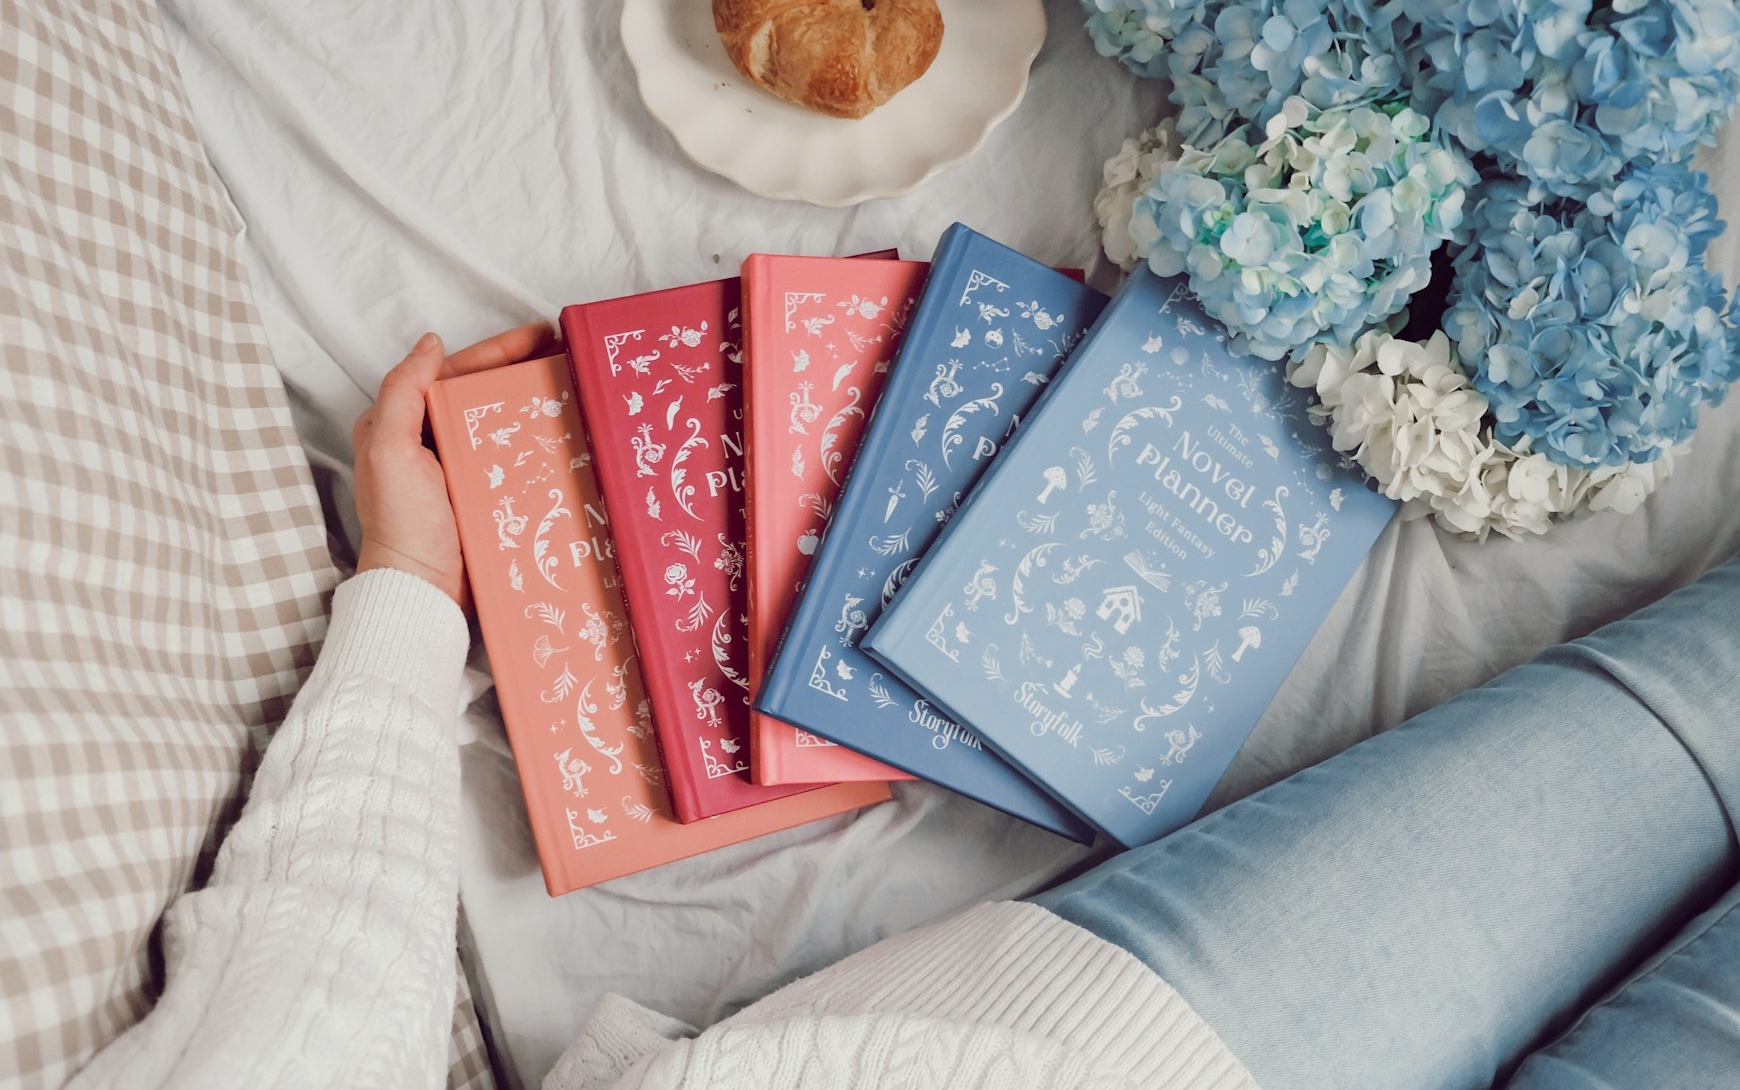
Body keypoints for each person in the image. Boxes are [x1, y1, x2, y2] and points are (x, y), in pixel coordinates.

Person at [70, 327, 1740, 1089]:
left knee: (1688, 718)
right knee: (1687, 719)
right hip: (1163, 1052)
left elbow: (305, 1024)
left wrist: (412, 591)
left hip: (1163, 1054)